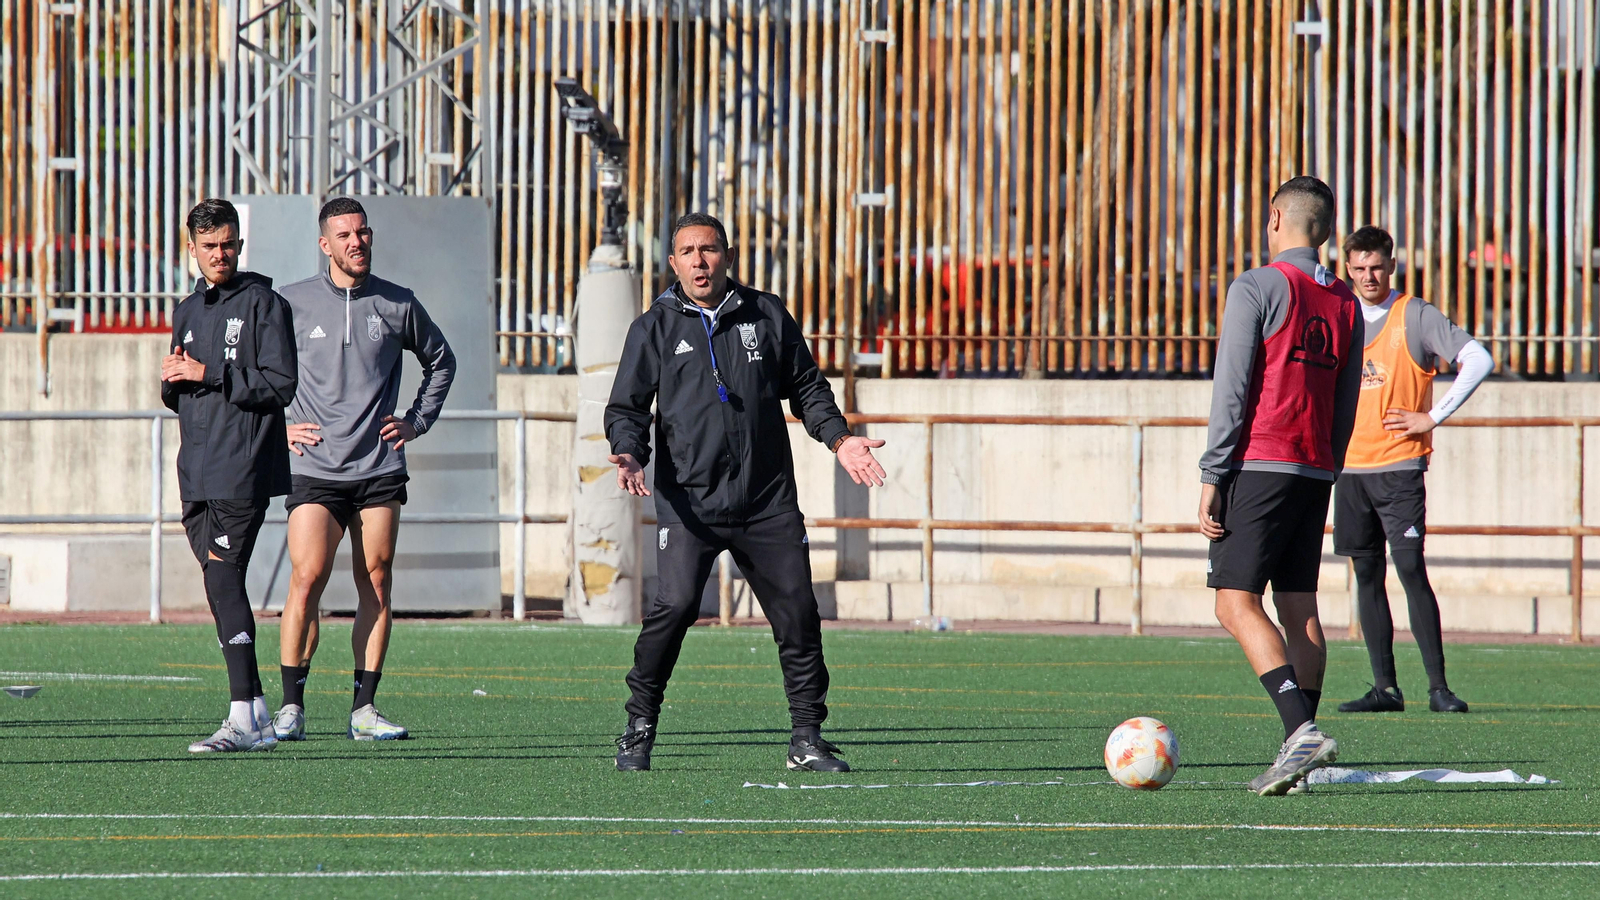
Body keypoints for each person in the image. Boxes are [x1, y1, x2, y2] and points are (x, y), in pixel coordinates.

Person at [604, 213, 887, 773]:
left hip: (766, 502)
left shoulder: (766, 314)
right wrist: (630, 449)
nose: (699, 261)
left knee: (798, 613)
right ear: (674, 263)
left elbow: (807, 387)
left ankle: (806, 738)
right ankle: (638, 727)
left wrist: (839, 439)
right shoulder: (653, 328)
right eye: (687, 252)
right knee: (676, 607)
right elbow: (627, 407)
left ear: (727, 255)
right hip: (690, 504)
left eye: (708, 250)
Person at [1197, 176, 1363, 796]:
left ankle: (1300, 731)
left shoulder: (1259, 285)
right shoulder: (1345, 303)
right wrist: (1329, 462)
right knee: (1299, 605)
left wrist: (1214, 474)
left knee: (1233, 602)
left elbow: (1232, 389)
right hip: (1316, 467)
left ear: (1275, 219)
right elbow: (1347, 400)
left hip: (1262, 462)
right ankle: (1302, 745)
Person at [271, 197, 456, 742]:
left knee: (376, 579)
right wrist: (277, 429)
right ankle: (291, 708)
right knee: (306, 580)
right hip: (315, 468)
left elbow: (442, 361)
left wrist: (416, 422)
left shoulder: (399, 304)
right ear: (325, 244)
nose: (357, 242)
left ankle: (364, 709)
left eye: (363, 233)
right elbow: (258, 375)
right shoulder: (291, 304)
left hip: (378, 467)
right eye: (344, 235)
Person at [1334, 226, 1492, 715]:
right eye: (1358, 268)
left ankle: (1439, 689)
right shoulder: (1339, 316)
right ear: (1347, 268)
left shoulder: (1415, 315)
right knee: (1365, 573)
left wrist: (1431, 416)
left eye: (1375, 266)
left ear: (1392, 264)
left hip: (1399, 468)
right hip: (1348, 470)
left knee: (1409, 568)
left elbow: (1478, 359)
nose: (1367, 276)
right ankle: (1385, 688)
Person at [162, 198, 299, 753]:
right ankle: (259, 710)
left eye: (228, 243)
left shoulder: (265, 303)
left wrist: (207, 372)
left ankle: (242, 714)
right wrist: (174, 381)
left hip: (242, 465)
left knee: (222, 579)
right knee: (219, 583)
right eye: (210, 245)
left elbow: (279, 384)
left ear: (240, 244)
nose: (221, 254)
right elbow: (181, 392)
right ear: (190, 247)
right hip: (195, 469)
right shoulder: (186, 310)